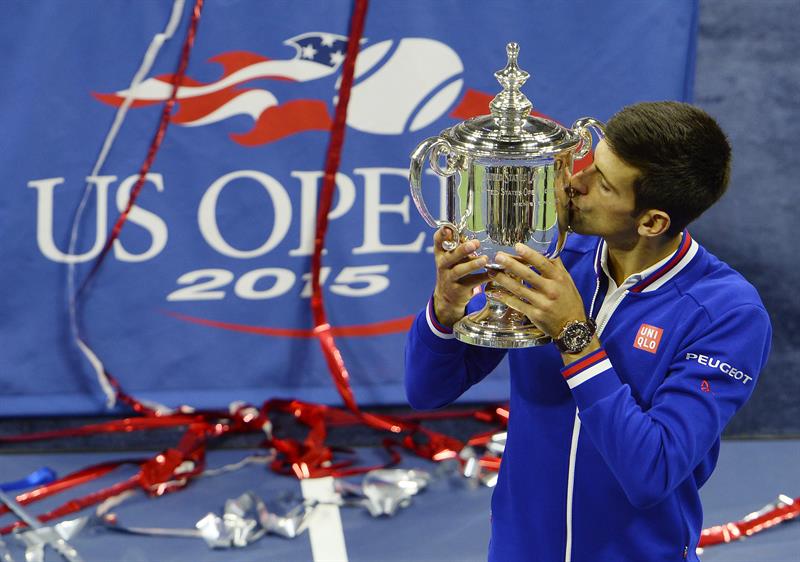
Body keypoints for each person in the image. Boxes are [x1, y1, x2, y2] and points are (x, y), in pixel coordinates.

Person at [404, 101, 771, 562]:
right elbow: (426, 390)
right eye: (589, 164)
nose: (574, 183)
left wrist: (575, 335)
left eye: (603, 182)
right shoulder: (555, 257)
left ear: (652, 222)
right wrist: (446, 305)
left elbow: (651, 471)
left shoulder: (727, 314)